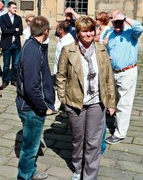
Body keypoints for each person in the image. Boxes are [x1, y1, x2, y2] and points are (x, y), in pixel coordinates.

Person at [56, 17, 116, 180]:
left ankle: (90, 175)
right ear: (78, 33)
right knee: (78, 139)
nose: (89, 34)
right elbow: (61, 76)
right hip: (75, 102)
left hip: (97, 102)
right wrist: (63, 98)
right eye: (84, 31)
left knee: (93, 143)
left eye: (91, 30)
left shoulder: (101, 49)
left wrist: (111, 102)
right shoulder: (68, 50)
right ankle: (77, 168)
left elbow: (108, 77)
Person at [16, 16, 55, 180]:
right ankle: (25, 175)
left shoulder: (35, 46)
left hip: (32, 106)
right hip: (31, 108)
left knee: (31, 145)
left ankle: (30, 171)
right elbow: (31, 86)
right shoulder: (32, 50)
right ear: (46, 31)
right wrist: (42, 107)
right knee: (30, 147)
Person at [105, 12, 143, 145]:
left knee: (124, 103)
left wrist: (126, 18)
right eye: (115, 22)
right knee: (115, 101)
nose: (117, 24)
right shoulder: (111, 35)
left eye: (119, 22)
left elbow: (140, 28)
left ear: (123, 22)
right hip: (114, 72)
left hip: (127, 72)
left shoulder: (130, 33)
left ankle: (120, 133)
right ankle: (118, 123)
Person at [0, 1, 23, 89]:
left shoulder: (18, 18)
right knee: (6, 65)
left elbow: (20, 31)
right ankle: (5, 80)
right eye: (13, 8)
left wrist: (11, 29)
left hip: (16, 44)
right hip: (7, 44)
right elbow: (4, 31)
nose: (15, 9)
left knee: (16, 64)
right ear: (9, 8)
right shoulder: (3, 18)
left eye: (16, 8)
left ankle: (14, 80)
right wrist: (14, 29)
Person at [53, 20, 75, 113]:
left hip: (64, 70)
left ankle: (59, 107)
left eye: (57, 28)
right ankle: (57, 106)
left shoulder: (68, 41)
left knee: (63, 88)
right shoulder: (62, 39)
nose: (56, 29)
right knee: (58, 87)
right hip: (58, 68)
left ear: (61, 30)